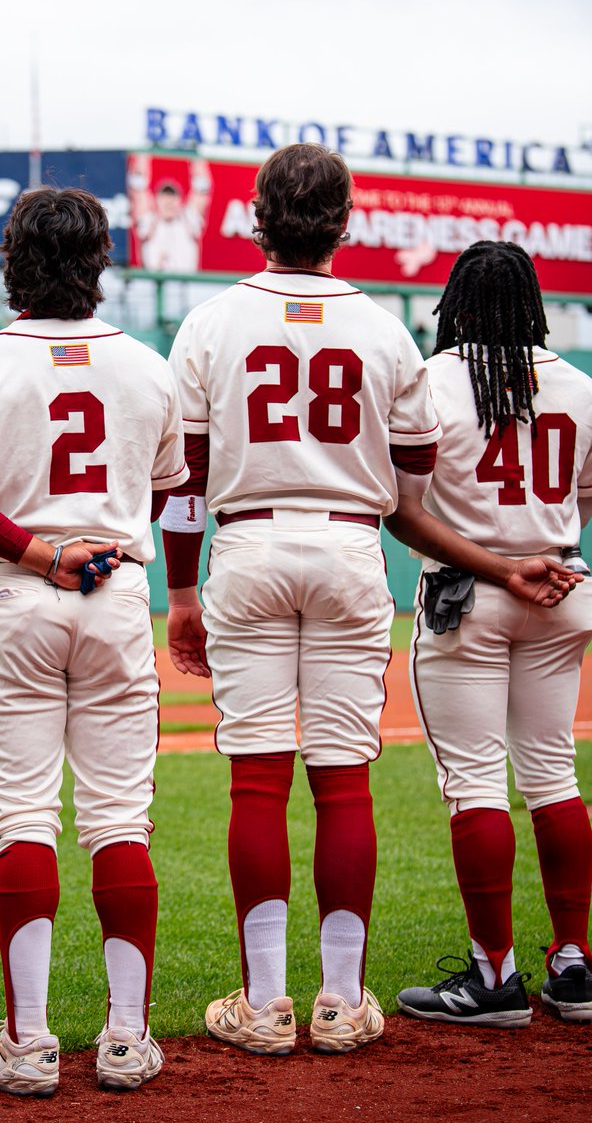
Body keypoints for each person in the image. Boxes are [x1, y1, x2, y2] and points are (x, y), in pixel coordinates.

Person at [160, 144, 576, 1057]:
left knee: (258, 778)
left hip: (248, 542)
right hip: (351, 544)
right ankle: (343, 1002)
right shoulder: (385, 329)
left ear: (257, 219)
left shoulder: (210, 322)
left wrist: (180, 590)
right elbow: (414, 481)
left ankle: (264, 1002)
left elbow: (185, 482)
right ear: (344, 223)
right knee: (343, 778)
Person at [0, 186, 187, 1096]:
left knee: (25, 818)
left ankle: (29, 1045)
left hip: (22, 592)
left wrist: (41, 550)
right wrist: (98, 535)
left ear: (13, 260)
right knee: (119, 819)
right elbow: (161, 488)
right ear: (101, 260)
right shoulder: (148, 366)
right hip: (115, 591)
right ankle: (126, 1039)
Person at [397, 241, 592, 1027]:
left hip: (468, 595)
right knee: (553, 775)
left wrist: (504, 566)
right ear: (532, 304)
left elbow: (403, 511)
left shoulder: (430, 382)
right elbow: (583, 498)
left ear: (457, 305)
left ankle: (494, 977)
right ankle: (574, 965)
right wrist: (539, 553)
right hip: (561, 586)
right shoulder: (578, 383)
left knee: (476, 784)